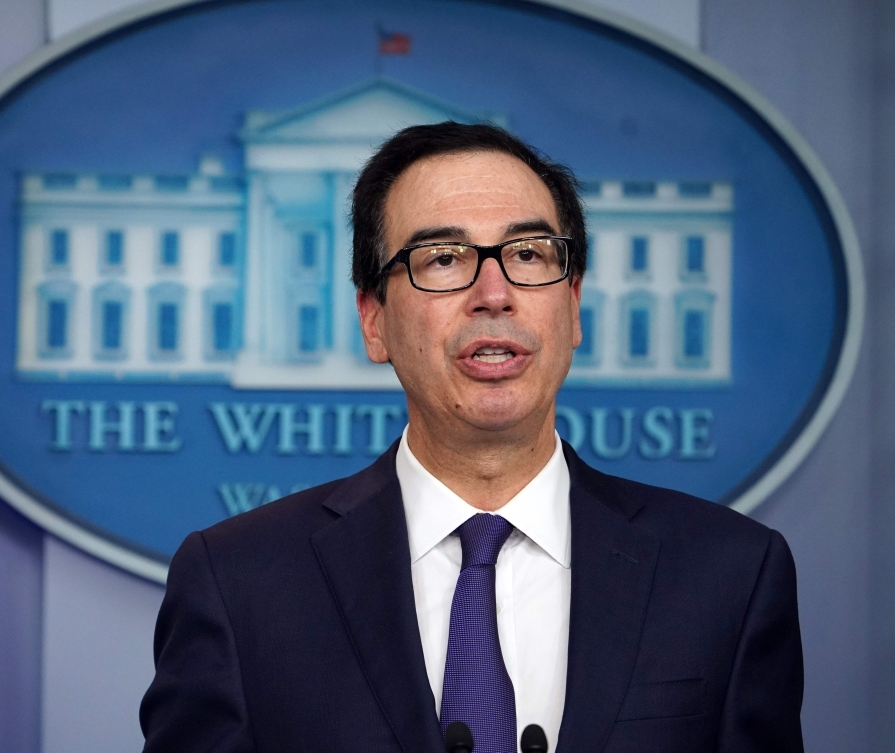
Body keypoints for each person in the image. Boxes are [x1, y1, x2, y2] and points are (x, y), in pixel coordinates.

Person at [140, 123, 804, 753]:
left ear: (573, 306)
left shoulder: (730, 574)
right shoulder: (238, 583)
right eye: (444, 257)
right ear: (373, 320)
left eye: (527, 253)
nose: (495, 293)